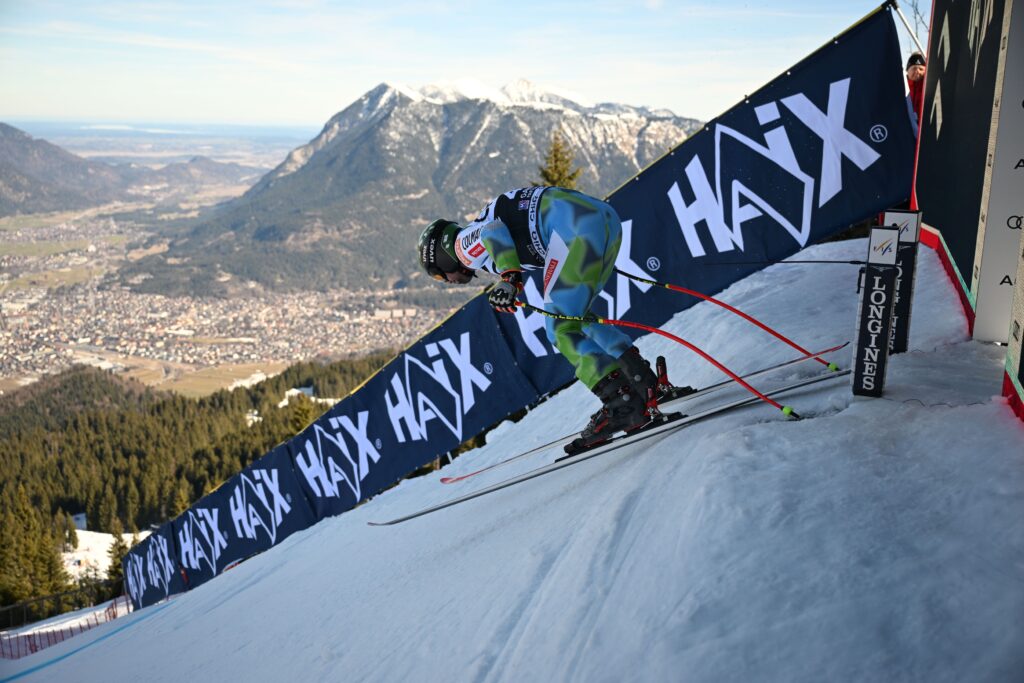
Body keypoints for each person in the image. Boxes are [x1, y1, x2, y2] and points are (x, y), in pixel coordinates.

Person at [418, 186, 689, 450]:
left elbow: (492, 232)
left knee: (560, 329)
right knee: (579, 319)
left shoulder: (459, 246)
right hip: (602, 217)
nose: (448, 282)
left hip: (572, 231)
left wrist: (510, 278)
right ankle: (644, 383)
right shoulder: (479, 229)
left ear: (440, 258)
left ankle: (624, 405)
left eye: (440, 275)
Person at [905, 51, 926, 138]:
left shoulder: (930, 87)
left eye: (921, 69)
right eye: (914, 68)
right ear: (908, 71)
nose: (917, 71)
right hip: (912, 138)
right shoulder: (906, 97)